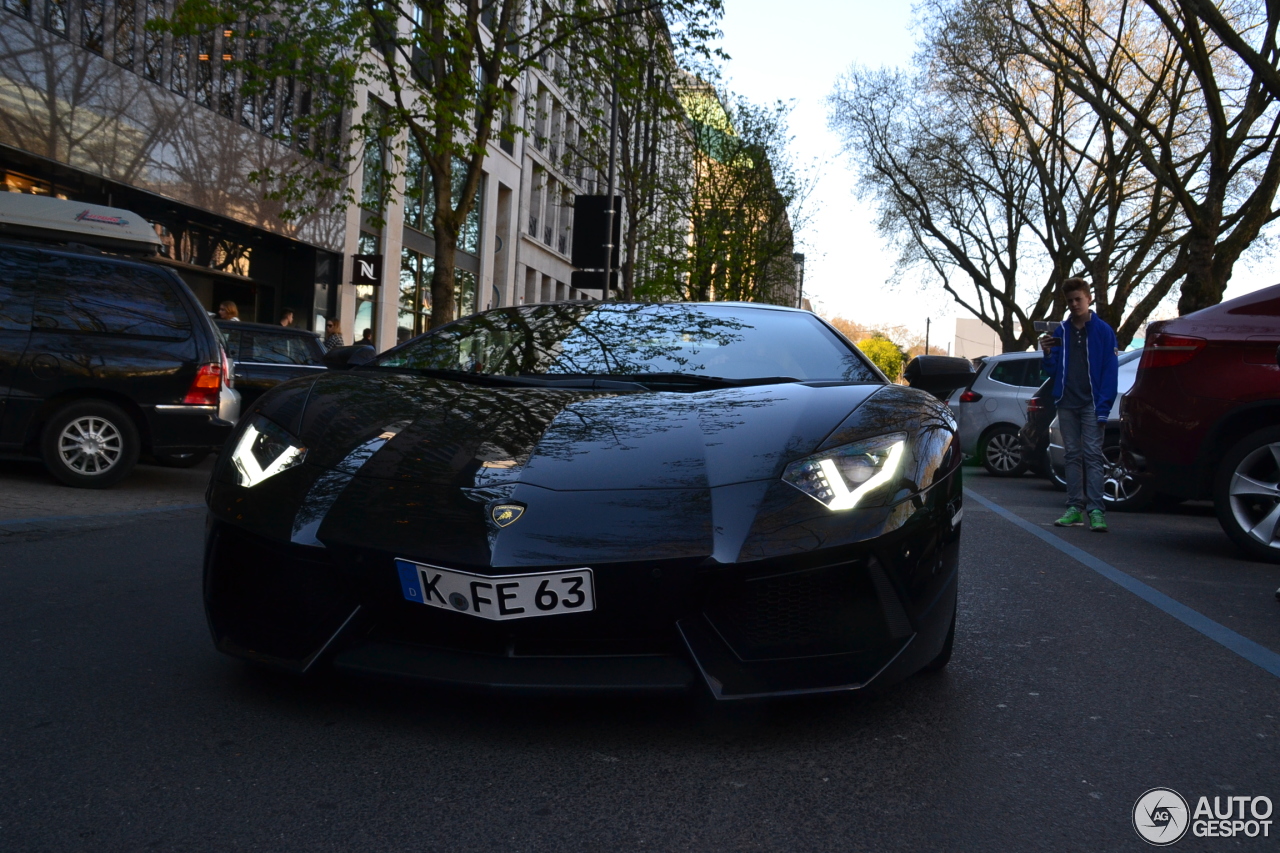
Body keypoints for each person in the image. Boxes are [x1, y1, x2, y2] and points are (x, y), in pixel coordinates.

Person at [1040, 277, 1119, 533]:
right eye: (1070, 301)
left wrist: (1104, 407)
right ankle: (1074, 508)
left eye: (1078, 299)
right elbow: (1052, 370)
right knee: (1072, 455)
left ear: (1089, 299)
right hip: (1066, 402)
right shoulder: (1061, 330)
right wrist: (1047, 353)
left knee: (1093, 456)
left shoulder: (1104, 331)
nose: (1074, 304)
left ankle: (1096, 510)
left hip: (1092, 404)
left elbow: (1110, 371)